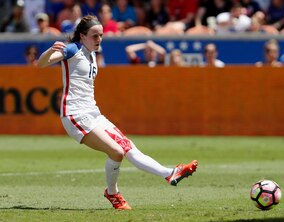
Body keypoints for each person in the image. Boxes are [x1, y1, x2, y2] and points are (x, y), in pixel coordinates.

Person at [37, 15, 198, 210]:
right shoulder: (73, 49)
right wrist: (49, 51)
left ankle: (170, 172)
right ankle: (113, 193)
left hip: (93, 113)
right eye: (94, 36)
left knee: (128, 147)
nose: (99, 39)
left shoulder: (93, 54)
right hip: (74, 114)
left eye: (101, 35)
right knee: (116, 152)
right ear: (82, 36)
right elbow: (42, 63)